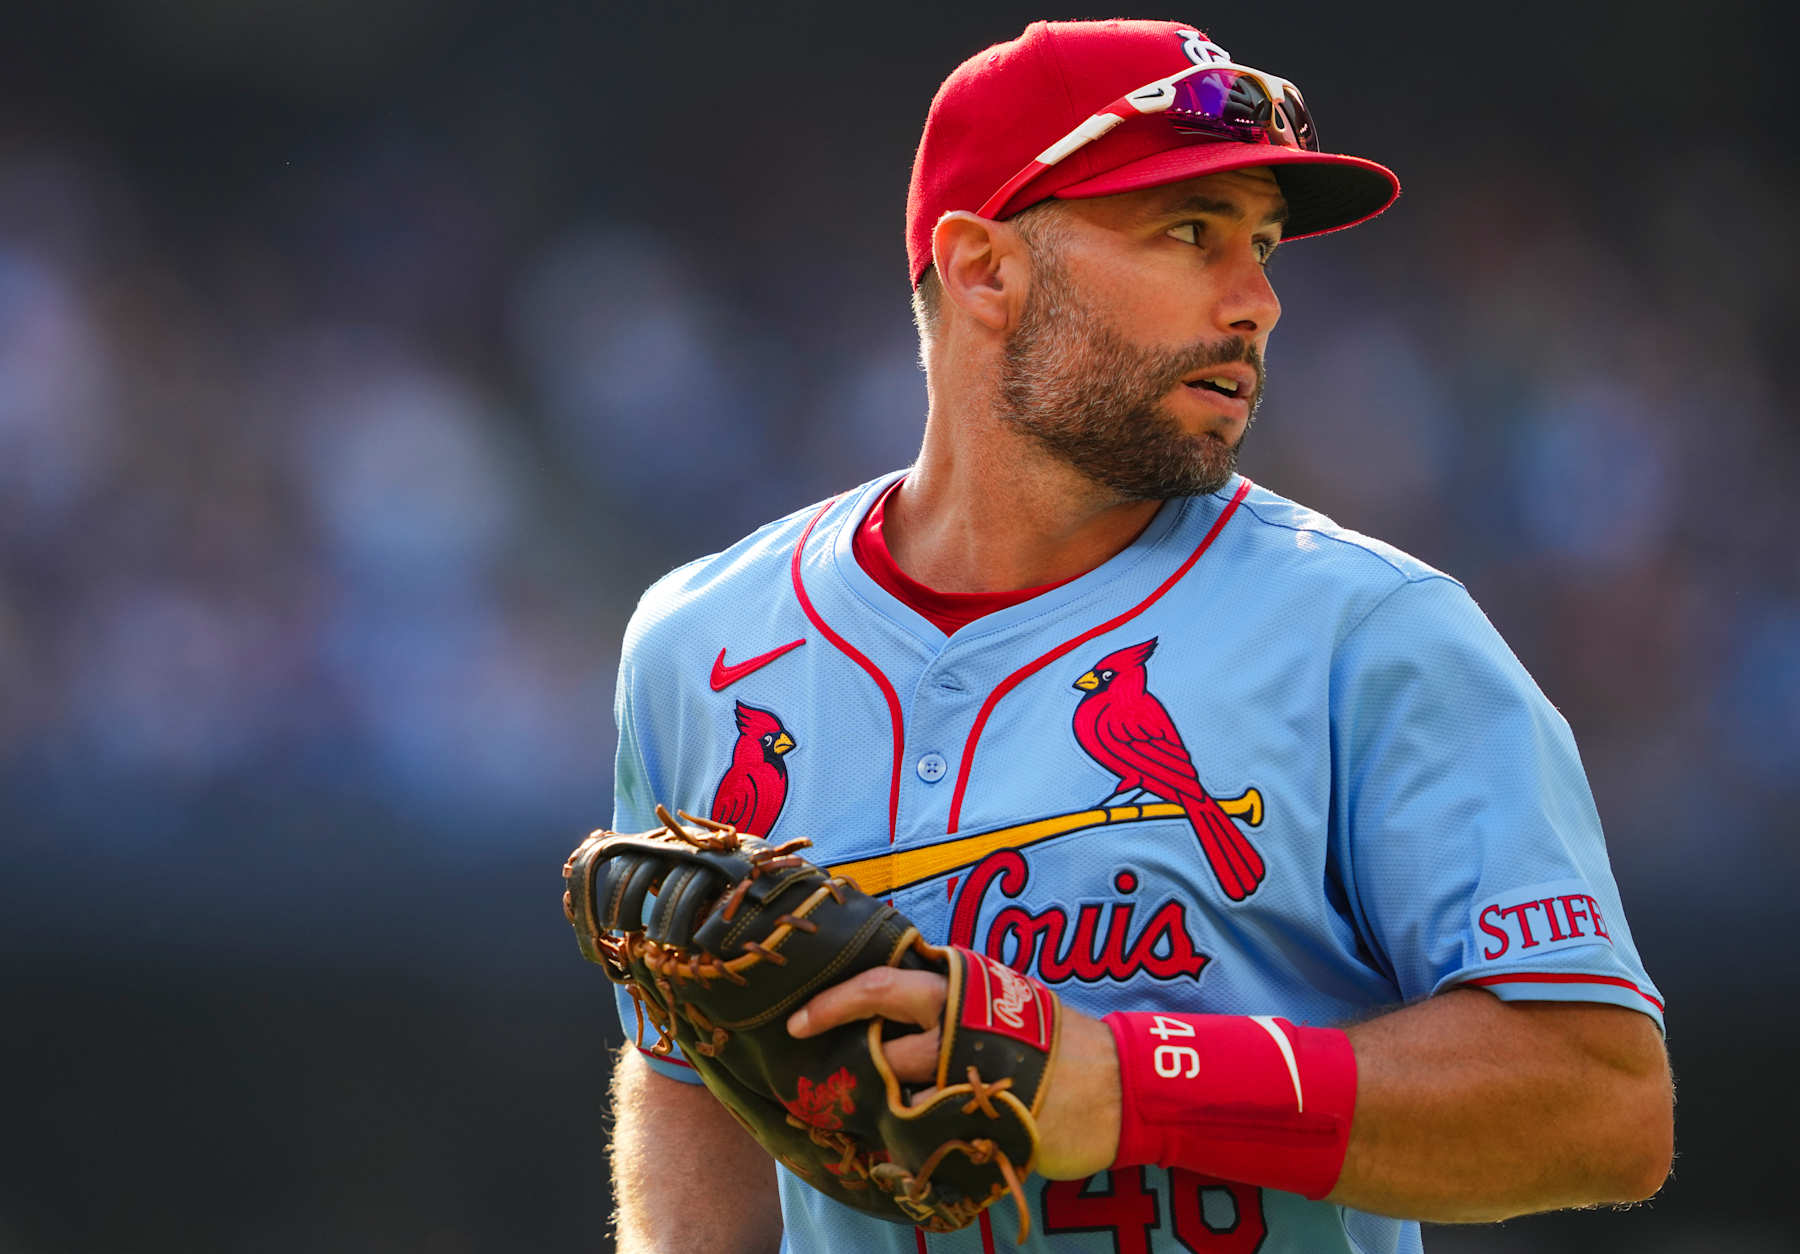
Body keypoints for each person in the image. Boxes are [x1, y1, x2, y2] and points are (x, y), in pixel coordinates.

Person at [603, 18, 1673, 1253]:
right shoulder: (703, 643)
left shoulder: (1376, 637)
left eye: (1264, 245)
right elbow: (690, 1085)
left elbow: (1603, 1099)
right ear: (984, 269)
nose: (1257, 301)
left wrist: (1129, 1083)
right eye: (1191, 233)